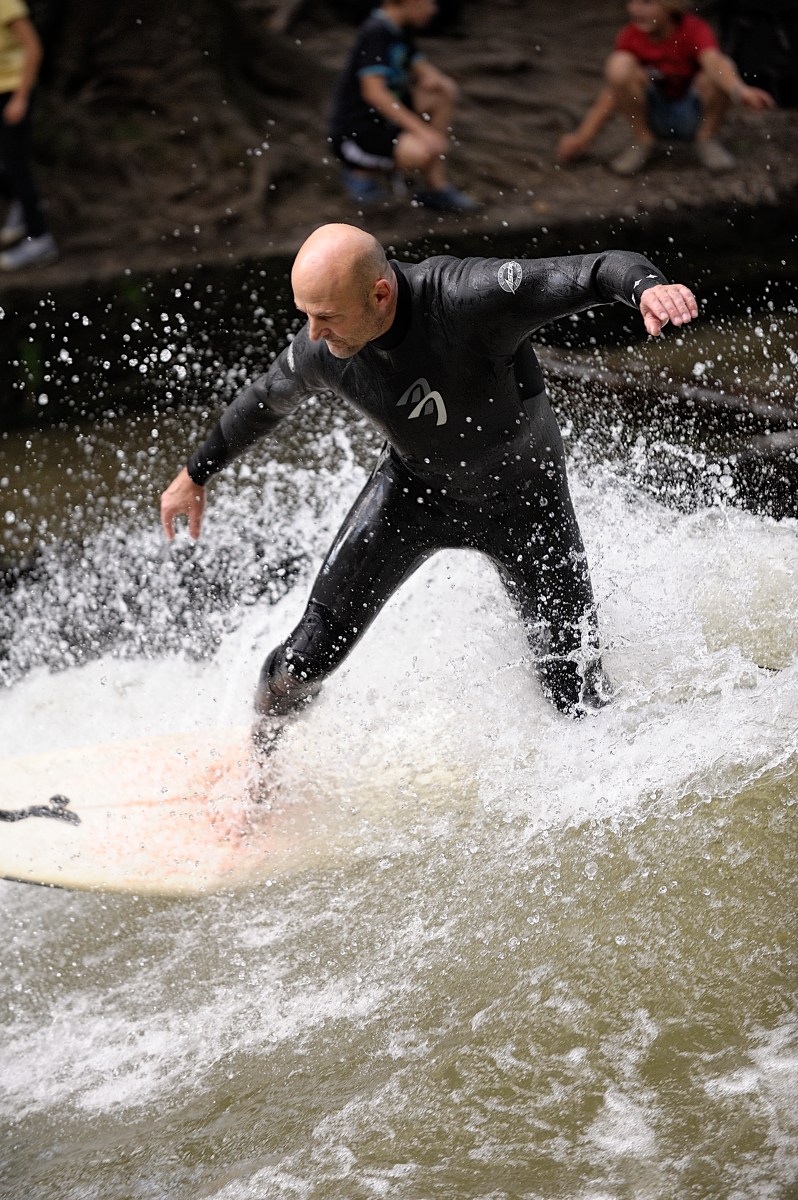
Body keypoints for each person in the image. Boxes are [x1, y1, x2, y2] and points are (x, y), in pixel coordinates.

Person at [160, 223, 698, 752]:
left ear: (380, 294)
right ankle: (259, 770)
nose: (314, 333)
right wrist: (194, 474)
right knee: (303, 661)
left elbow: (594, 271)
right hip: (413, 497)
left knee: (577, 699)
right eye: (307, 315)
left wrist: (648, 288)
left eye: (327, 316)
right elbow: (265, 398)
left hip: (527, 506)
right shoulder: (323, 347)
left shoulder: (468, 299)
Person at [556, 0, 775, 177]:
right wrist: (581, 139)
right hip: (655, 116)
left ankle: (706, 138)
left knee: (721, 68)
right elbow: (612, 94)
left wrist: (739, 91)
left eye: (647, 2)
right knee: (619, 65)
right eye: (632, 1)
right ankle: (643, 139)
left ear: (670, 5)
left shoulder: (693, 29)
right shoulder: (630, 36)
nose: (636, 9)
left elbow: (713, 62)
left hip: (693, 113)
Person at [327, 0, 477, 213]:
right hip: (358, 132)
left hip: (386, 123)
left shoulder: (400, 31)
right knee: (423, 151)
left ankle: (436, 187)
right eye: (428, 2)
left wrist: (437, 81)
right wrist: (424, 132)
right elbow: (374, 93)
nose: (433, 9)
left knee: (440, 96)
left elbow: (428, 72)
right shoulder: (376, 32)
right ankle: (360, 173)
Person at [0, 0, 57, 270]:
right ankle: (20, 204)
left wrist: (21, 98)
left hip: (14, 90)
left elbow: (33, 48)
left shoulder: (6, 4)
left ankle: (40, 239)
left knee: (16, 164)